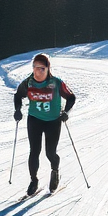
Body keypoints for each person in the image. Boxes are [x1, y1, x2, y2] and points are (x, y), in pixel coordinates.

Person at [13, 53, 76, 195]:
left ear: (48, 68)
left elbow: (71, 97)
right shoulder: (28, 83)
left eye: (41, 68)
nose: (38, 71)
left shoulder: (56, 83)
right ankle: (33, 180)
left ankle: (55, 171)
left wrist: (66, 111)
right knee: (34, 151)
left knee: (50, 152)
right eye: (35, 67)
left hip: (53, 121)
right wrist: (17, 110)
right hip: (34, 119)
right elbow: (18, 95)